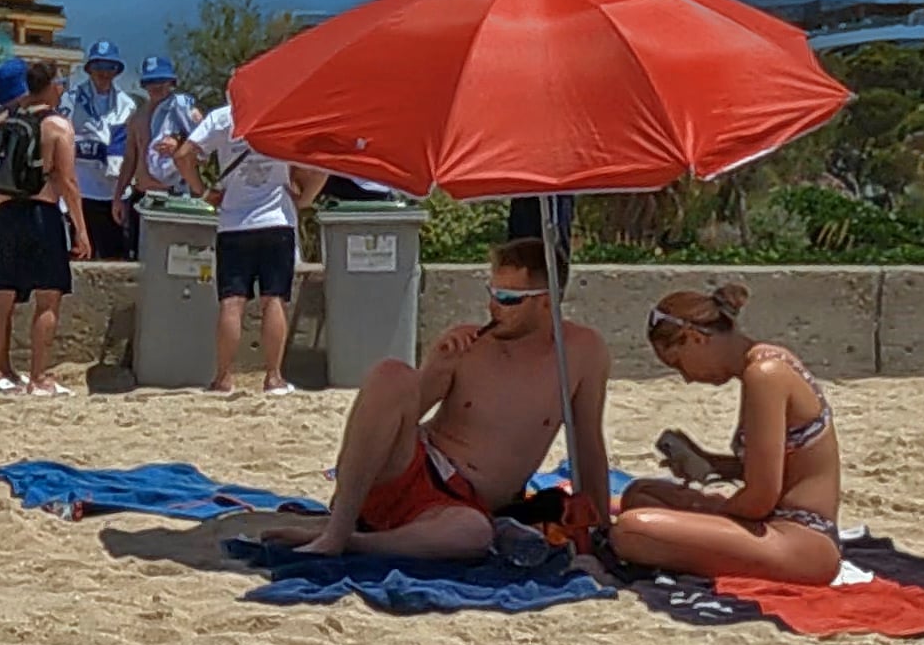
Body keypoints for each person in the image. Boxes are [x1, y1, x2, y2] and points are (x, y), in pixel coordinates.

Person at [282, 238, 610, 559]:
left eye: (509, 298)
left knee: (474, 535)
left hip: (460, 505)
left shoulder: (581, 353)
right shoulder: (469, 345)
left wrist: (602, 529)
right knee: (391, 374)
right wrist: (435, 369)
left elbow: (588, 445)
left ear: (546, 301)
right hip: (412, 464)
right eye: (492, 293)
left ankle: (356, 543)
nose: (494, 306)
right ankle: (337, 528)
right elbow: (401, 416)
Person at [611, 284, 844, 584]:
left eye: (679, 364)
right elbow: (785, 466)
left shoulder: (765, 376)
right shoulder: (769, 363)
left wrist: (709, 508)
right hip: (783, 525)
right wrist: (711, 464)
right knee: (640, 493)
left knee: (632, 528)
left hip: (800, 540)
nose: (686, 378)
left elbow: (760, 498)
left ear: (696, 339)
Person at [184, 98, 323, 395]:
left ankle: (223, 377)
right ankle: (273, 377)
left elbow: (184, 155)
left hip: (234, 222)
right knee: (274, 300)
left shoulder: (222, 119)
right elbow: (320, 164)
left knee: (231, 302)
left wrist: (203, 191)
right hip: (277, 219)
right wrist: (305, 199)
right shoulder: (282, 117)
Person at [0, 57, 90, 395]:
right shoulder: (58, 127)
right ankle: (39, 377)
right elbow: (67, 180)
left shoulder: (1, 121)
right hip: (41, 215)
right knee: (47, 299)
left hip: (4, 215)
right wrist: (81, 229)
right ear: (53, 86)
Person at [65, 42, 137, 261]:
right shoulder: (71, 99)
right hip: (82, 191)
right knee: (79, 255)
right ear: (90, 69)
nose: (104, 73)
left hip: (113, 193)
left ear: (116, 71)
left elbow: (130, 149)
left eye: (110, 67)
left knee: (115, 256)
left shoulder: (127, 104)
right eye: (99, 66)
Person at [127, 53, 202, 260]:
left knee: (174, 258)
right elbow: (130, 159)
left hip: (174, 196)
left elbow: (204, 146)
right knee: (141, 258)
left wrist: (178, 141)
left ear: (171, 82)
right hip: (143, 196)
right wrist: (118, 197)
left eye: (161, 81)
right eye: (151, 81)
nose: (156, 86)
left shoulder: (185, 110)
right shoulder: (137, 117)